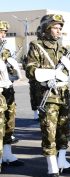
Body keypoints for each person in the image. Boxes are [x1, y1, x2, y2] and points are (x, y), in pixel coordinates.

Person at [26, 14, 70, 177]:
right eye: (55, 27)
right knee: (49, 131)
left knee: (64, 129)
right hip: (47, 96)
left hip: (63, 95)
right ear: (46, 29)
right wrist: (50, 75)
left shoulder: (63, 48)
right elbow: (30, 69)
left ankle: (62, 160)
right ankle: (51, 165)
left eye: (60, 28)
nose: (58, 31)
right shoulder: (37, 46)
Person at [0, 20, 24, 167]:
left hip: (8, 91)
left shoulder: (5, 51)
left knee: (9, 122)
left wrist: (12, 69)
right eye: (0, 32)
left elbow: (11, 74)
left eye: (4, 33)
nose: (3, 35)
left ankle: (7, 154)